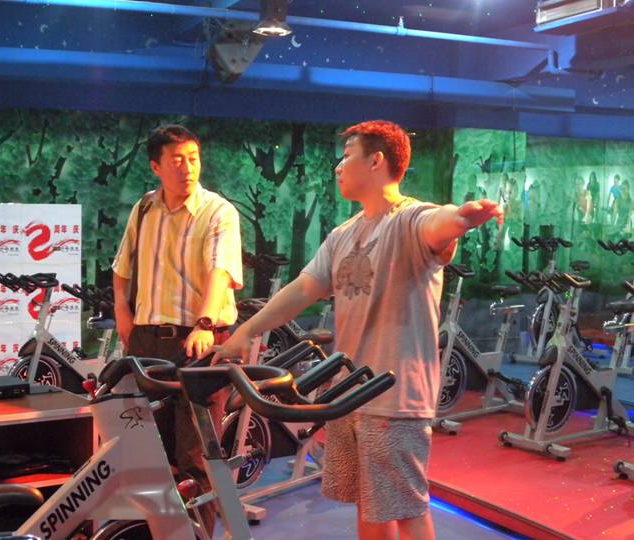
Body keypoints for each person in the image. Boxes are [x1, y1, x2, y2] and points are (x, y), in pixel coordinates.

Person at [211, 120, 503, 540]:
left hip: (394, 398)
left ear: (376, 161)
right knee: (370, 504)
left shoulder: (409, 220)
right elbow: (303, 289)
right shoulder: (343, 235)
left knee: (406, 508)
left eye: (347, 156)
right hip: (349, 394)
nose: (338, 166)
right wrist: (248, 331)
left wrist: (462, 217)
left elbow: (439, 222)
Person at [111, 124, 243, 536]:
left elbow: (221, 272)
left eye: (193, 158)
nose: (187, 168)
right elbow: (122, 267)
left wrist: (204, 324)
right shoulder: (144, 209)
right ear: (156, 166)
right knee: (149, 450)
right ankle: (160, 531)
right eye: (176, 160)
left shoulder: (218, 211)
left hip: (197, 341)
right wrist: (121, 311)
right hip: (146, 341)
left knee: (196, 454)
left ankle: (196, 533)